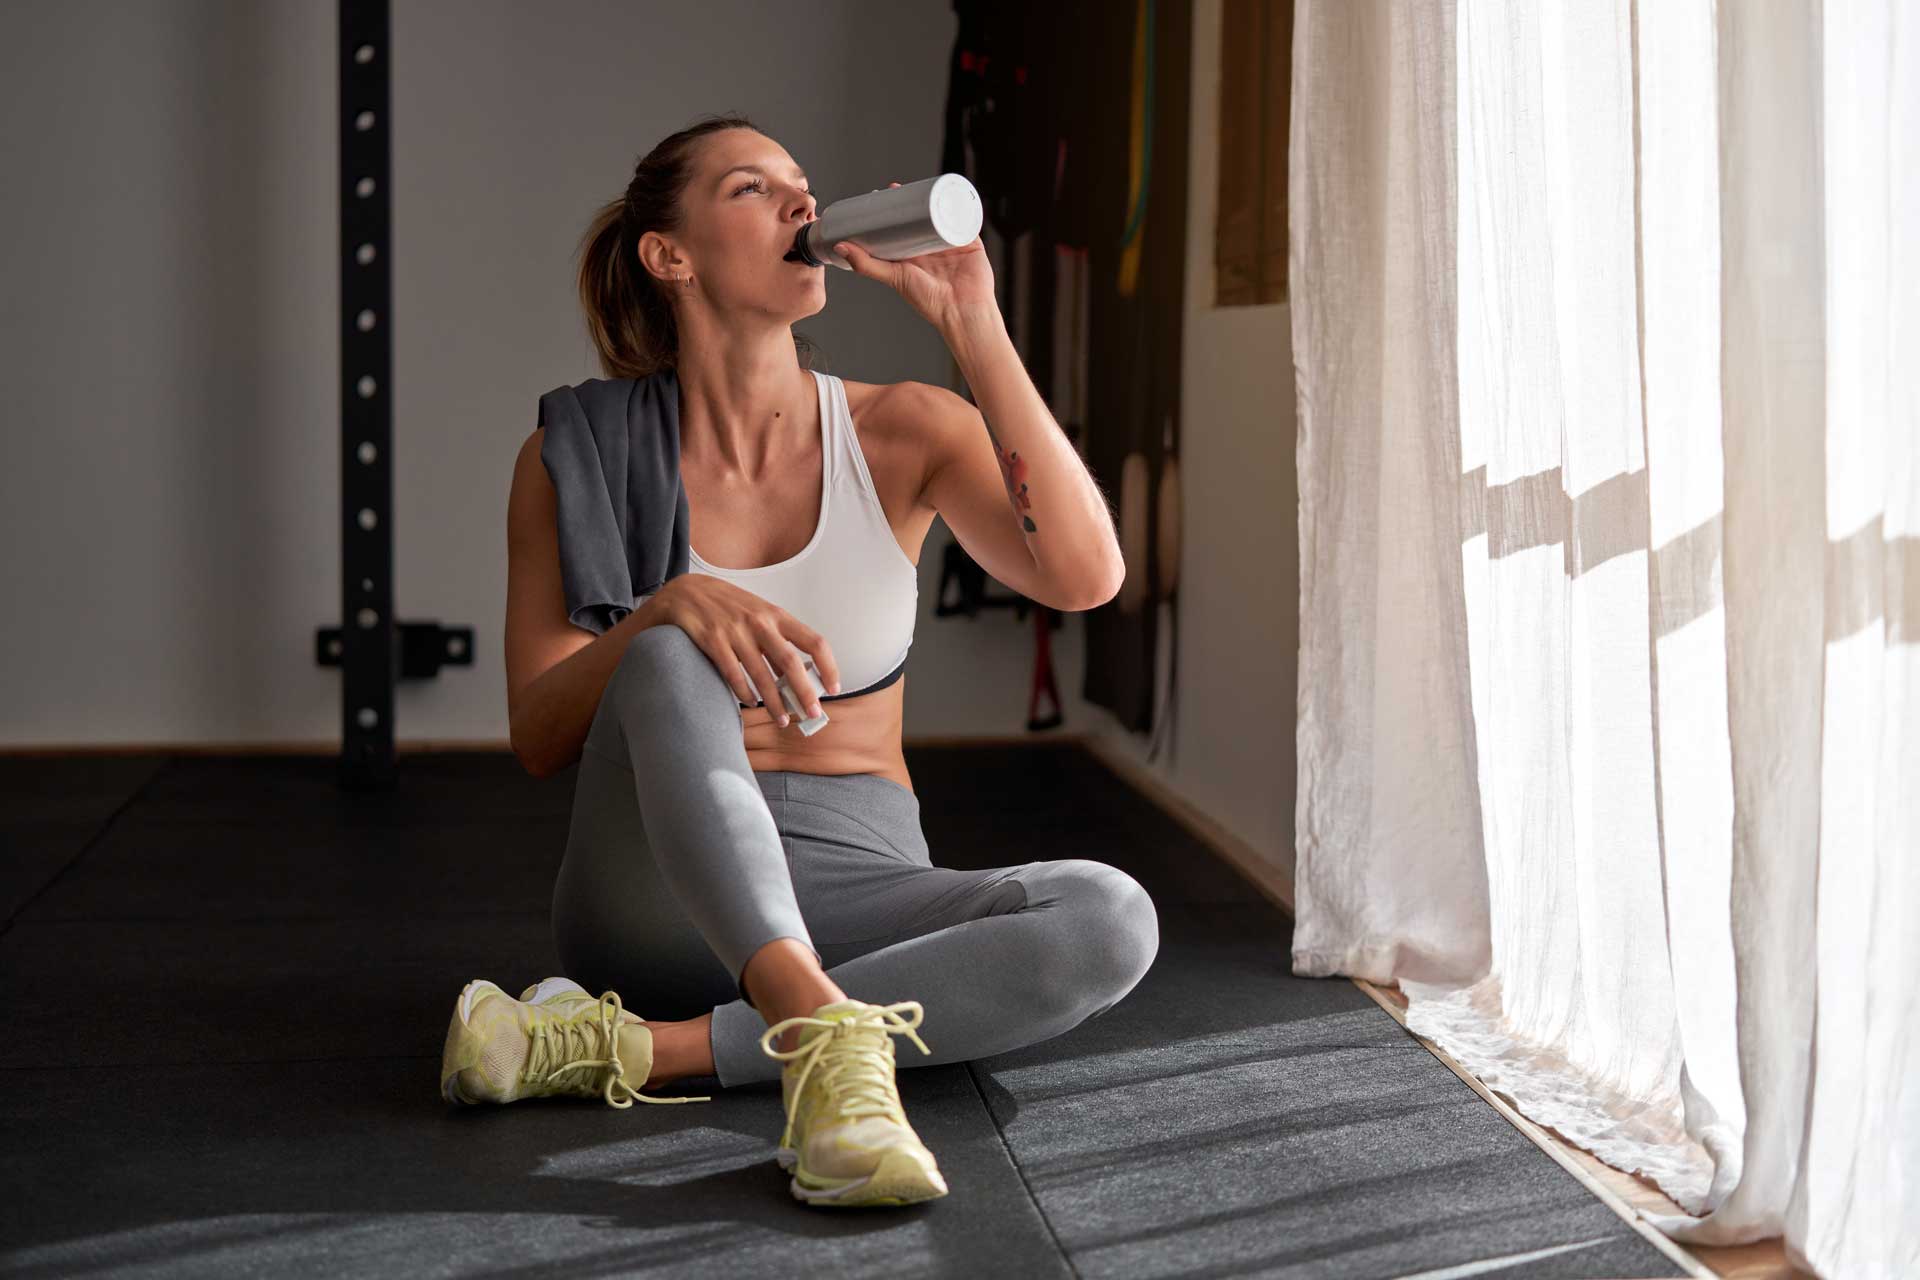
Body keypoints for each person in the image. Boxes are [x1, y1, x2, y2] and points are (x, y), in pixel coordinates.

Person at [438, 113, 1157, 1209]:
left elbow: (1085, 575)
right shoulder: (569, 453)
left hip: (857, 886)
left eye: (804, 188)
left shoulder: (909, 429)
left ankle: (643, 1050)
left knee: (1112, 917)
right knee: (675, 647)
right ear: (668, 254)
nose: (802, 207)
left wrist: (975, 322)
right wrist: (664, 609)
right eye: (752, 188)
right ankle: (821, 1034)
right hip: (650, 898)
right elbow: (541, 732)